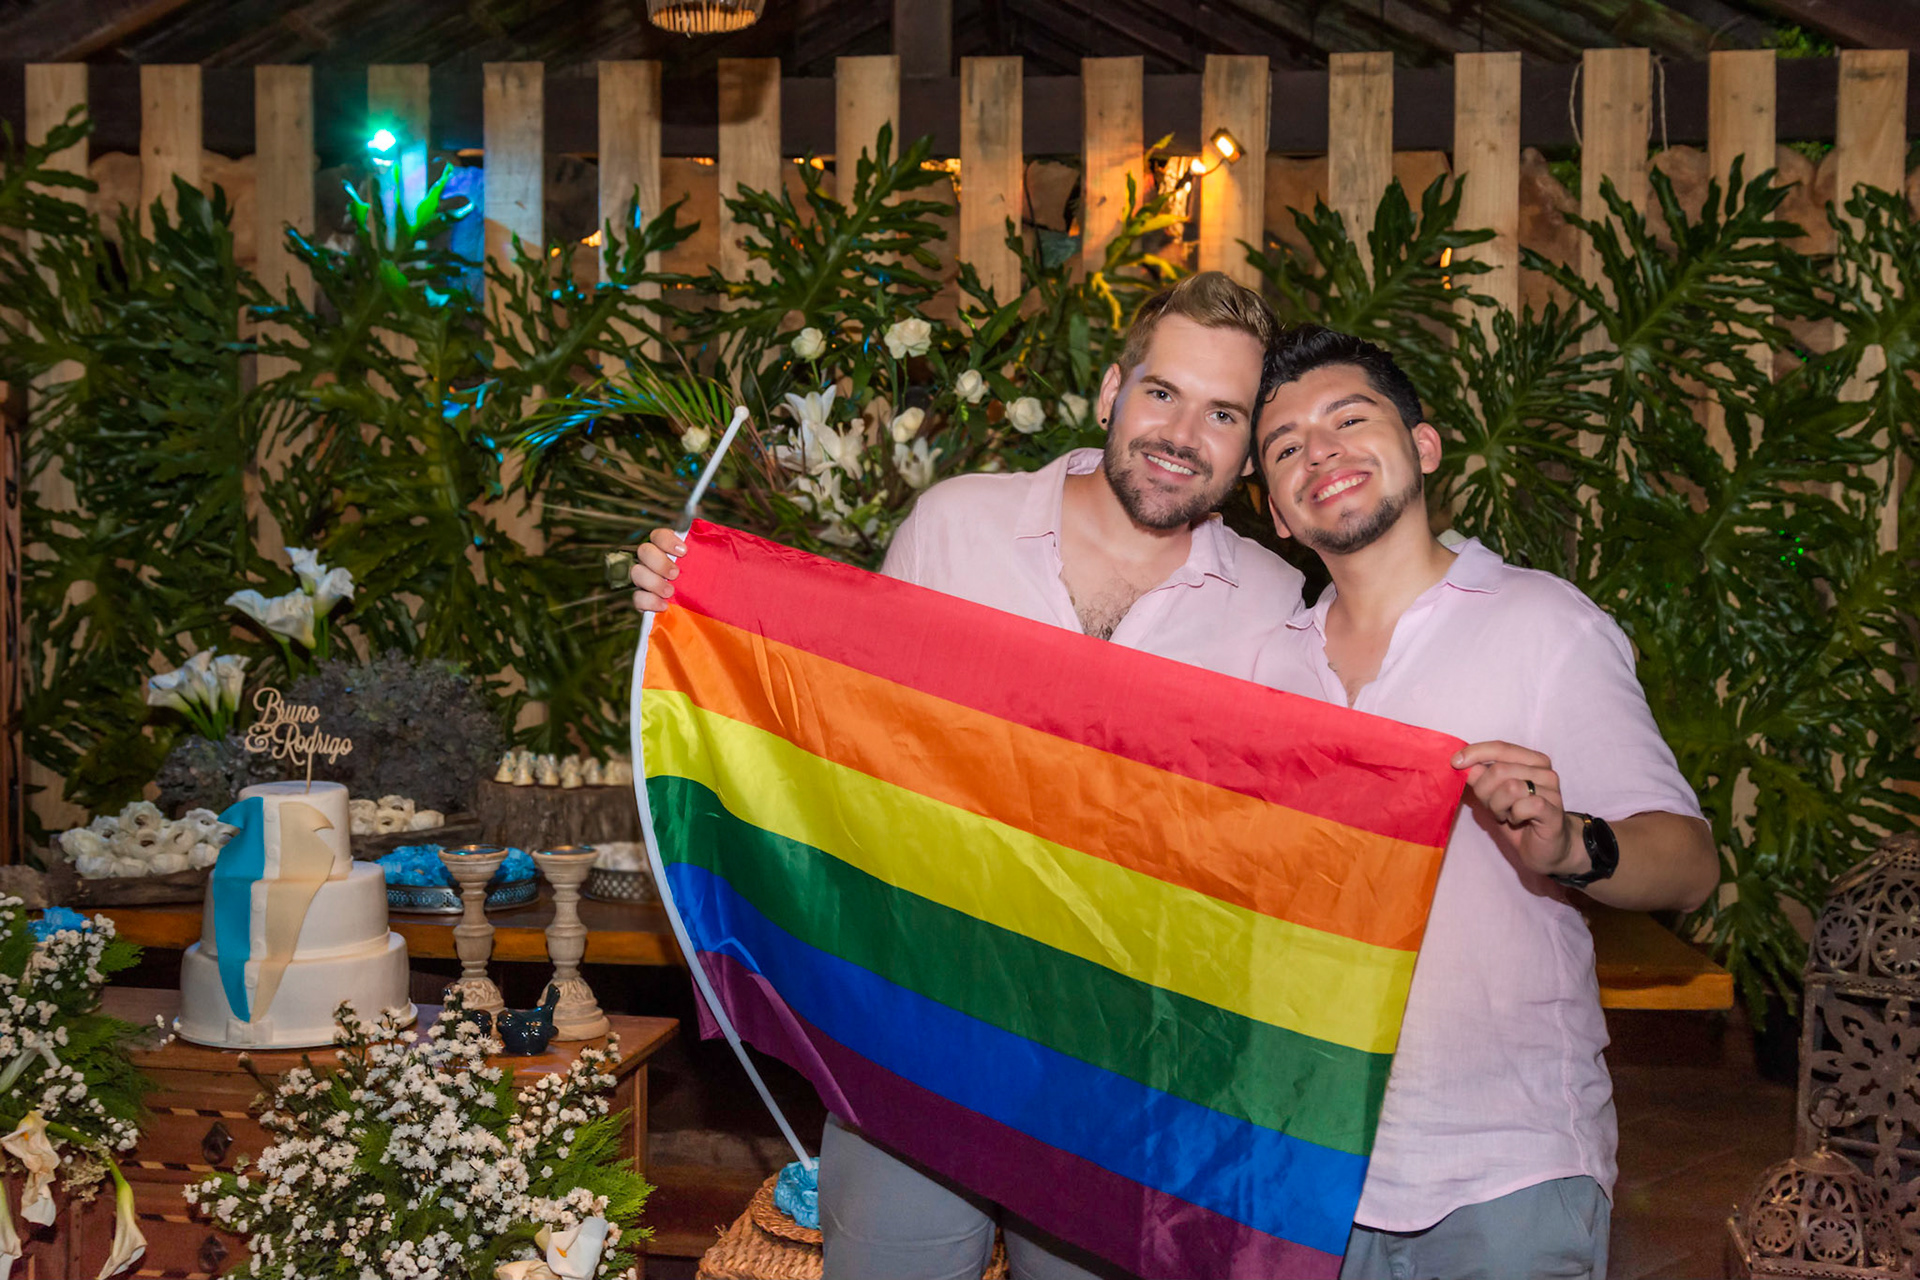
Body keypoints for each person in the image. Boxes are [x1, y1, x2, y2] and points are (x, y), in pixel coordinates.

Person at [629, 271, 1306, 1280]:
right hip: (919, 1021)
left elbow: (1280, 836)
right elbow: (848, 731)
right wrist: (707, 608)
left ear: (1248, 449)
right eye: (1162, 392)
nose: (1181, 431)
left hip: (1121, 1064)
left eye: (1223, 413)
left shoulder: (1273, 599)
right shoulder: (957, 524)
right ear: (1112, 389)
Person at [1249, 325, 1719, 1280]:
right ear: (1279, 517)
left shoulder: (1544, 624)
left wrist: (1569, 845)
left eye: (1349, 419)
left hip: (1508, 1165)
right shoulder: (1261, 670)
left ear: (1423, 448)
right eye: (1287, 447)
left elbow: (1690, 859)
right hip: (1307, 1168)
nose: (1322, 453)